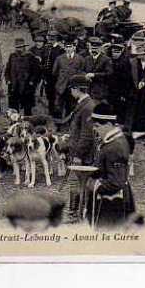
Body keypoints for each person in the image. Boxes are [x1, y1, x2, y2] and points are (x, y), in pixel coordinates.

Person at [84, 103, 135, 226]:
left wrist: (91, 183)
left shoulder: (115, 147)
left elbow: (115, 182)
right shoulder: (112, 141)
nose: (94, 129)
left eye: (97, 126)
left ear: (108, 124)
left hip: (112, 204)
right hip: (110, 201)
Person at [56, 75, 96, 222]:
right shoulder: (84, 104)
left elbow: (87, 135)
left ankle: (75, 214)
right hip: (78, 150)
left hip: (82, 154)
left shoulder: (87, 106)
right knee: (77, 183)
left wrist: (78, 155)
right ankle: (77, 213)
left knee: (76, 183)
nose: (70, 92)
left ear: (77, 89)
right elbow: (80, 130)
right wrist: (70, 136)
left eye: (71, 89)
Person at [51, 38, 86, 118]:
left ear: (74, 47)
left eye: (70, 47)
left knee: (71, 106)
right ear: (64, 48)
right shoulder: (59, 58)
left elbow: (83, 71)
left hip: (74, 86)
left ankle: (70, 123)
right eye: (67, 47)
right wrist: (62, 77)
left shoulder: (80, 59)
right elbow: (54, 72)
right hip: (61, 86)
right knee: (58, 106)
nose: (68, 49)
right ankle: (58, 124)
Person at [5, 38, 39, 116]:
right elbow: (7, 69)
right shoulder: (12, 56)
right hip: (14, 85)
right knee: (14, 107)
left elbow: (36, 71)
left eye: (20, 47)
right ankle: (15, 122)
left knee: (27, 107)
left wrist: (32, 82)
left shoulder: (30, 56)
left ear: (24, 47)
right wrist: (8, 80)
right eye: (17, 47)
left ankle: (27, 122)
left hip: (26, 86)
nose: (19, 49)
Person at [42, 32, 65, 117]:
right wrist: (44, 77)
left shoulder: (60, 50)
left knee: (57, 98)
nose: (51, 39)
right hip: (48, 78)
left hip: (57, 78)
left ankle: (57, 117)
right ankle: (51, 115)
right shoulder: (46, 48)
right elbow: (44, 63)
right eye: (50, 37)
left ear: (56, 38)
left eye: (53, 37)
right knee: (50, 97)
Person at [108, 43, 132, 126]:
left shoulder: (125, 63)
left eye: (117, 52)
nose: (115, 54)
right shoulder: (110, 61)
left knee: (120, 110)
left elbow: (127, 80)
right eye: (113, 52)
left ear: (121, 52)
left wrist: (124, 94)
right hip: (112, 90)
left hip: (121, 91)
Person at [84, 36, 113, 104]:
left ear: (100, 48)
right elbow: (82, 70)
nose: (93, 50)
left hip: (100, 91)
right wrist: (85, 76)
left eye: (96, 48)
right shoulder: (87, 59)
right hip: (88, 90)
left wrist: (94, 75)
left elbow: (109, 73)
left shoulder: (106, 59)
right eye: (92, 48)